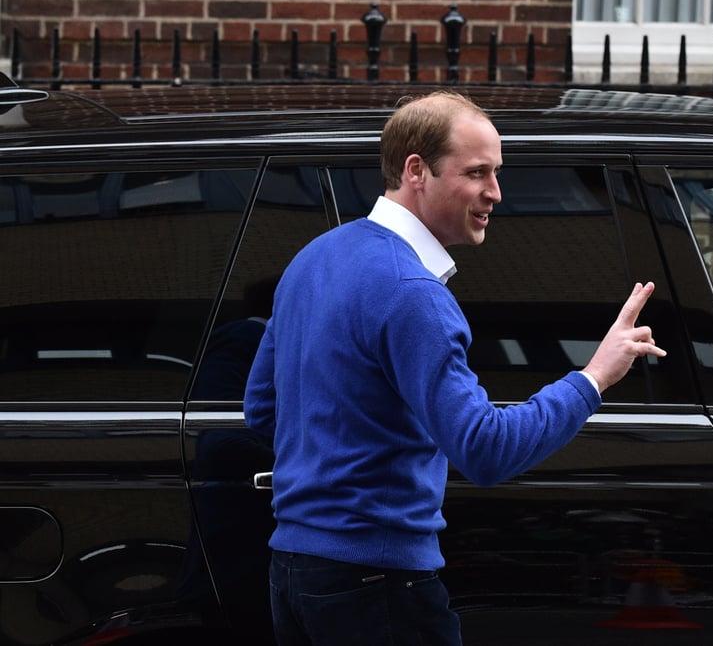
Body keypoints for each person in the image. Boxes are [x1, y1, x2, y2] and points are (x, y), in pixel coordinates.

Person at [243, 91, 666, 646]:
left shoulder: (314, 258)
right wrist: (594, 377)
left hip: (294, 572)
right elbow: (485, 450)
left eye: (496, 172)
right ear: (417, 170)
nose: (495, 192)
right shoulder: (411, 291)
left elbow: (262, 410)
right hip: (378, 585)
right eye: (477, 173)